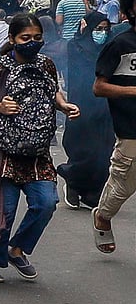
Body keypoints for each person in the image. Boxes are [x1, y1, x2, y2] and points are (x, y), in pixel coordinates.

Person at [0, 13, 79, 282]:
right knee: (5, 208)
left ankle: (16, 250)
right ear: (12, 39)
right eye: (25, 38)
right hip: (3, 148)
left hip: (37, 150)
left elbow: (54, 91)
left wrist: (63, 105)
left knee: (46, 202)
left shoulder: (46, 65)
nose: (32, 42)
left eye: (37, 38)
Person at [89, 0, 136, 254]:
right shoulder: (120, 44)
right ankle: (103, 216)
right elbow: (99, 87)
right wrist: (133, 91)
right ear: (130, 10)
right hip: (131, 129)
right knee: (122, 186)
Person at [56, 12, 113, 210]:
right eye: (98, 29)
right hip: (82, 104)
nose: (102, 33)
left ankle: (93, 193)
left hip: (105, 107)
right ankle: (72, 181)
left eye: (106, 29)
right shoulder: (76, 45)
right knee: (83, 149)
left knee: (104, 152)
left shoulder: (110, 47)